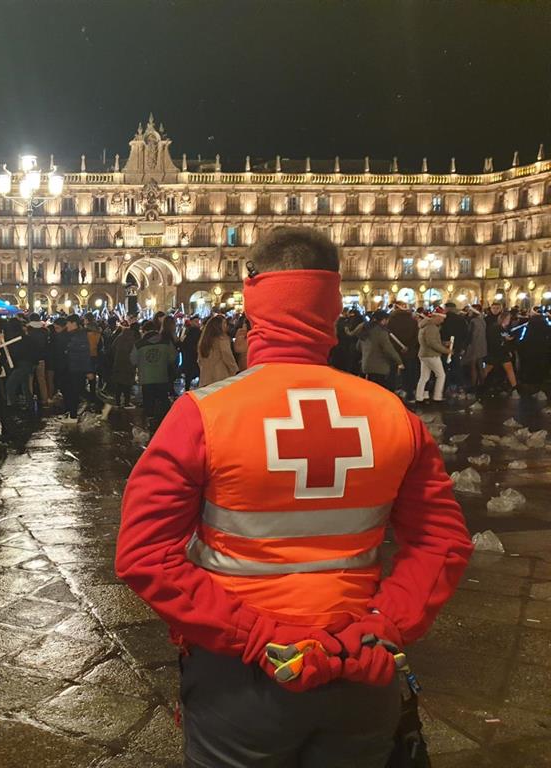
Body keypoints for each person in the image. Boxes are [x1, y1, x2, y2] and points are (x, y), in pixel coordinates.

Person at [116, 226, 472, 768]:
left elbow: (145, 556)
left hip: (241, 678)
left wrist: (256, 634)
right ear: (332, 304)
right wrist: (385, 625)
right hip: (360, 666)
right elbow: (443, 543)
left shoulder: (201, 416)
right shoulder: (392, 415)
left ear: (251, 297)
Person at [130, 320, 175, 431]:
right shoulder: (166, 342)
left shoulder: (139, 344)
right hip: (162, 377)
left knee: (148, 403)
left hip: (146, 379)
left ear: (144, 331)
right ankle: (165, 426)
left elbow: (132, 360)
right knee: (163, 400)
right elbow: (173, 357)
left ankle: (151, 425)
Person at [357, 311, 404, 391]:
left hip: (366, 364)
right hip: (379, 366)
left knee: (371, 388)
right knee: (380, 389)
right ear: (383, 320)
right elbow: (389, 349)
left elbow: (358, 347)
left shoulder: (365, 329)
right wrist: (399, 361)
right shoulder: (381, 332)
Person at [415, 308, 451, 404]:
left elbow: (430, 341)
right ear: (437, 317)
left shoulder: (425, 325)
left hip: (423, 354)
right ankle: (437, 397)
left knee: (424, 377)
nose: (443, 321)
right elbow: (432, 343)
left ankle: (419, 397)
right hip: (432, 355)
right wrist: (446, 350)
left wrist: (443, 343)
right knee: (441, 375)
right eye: (442, 318)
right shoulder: (432, 327)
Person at [60, 314, 92, 423]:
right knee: (76, 390)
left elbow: (84, 354)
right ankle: (72, 413)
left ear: (74, 323)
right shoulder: (73, 334)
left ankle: (73, 416)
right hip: (72, 367)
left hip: (77, 367)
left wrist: (88, 370)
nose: (66, 325)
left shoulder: (79, 336)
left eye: (68, 323)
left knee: (74, 391)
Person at [483, 302, 518, 393]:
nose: (509, 320)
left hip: (501, 352)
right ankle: (479, 385)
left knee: (508, 368)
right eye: (508, 319)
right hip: (495, 352)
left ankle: (514, 388)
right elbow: (494, 339)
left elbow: (505, 337)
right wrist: (505, 339)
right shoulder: (495, 327)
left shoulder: (504, 328)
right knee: (488, 369)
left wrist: (508, 340)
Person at [387, 301, 419, 398]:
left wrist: (396, 347)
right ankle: (409, 391)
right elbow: (416, 336)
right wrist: (408, 347)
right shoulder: (413, 320)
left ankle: (392, 391)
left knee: (392, 370)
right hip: (409, 350)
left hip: (395, 349)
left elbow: (388, 335)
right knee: (409, 371)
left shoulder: (391, 320)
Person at [196, 315, 238, 387]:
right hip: (220, 377)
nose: (226, 326)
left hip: (205, 378)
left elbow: (199, 360)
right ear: (218, 326)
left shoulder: (204, 340)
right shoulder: (222, 339)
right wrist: (235, 371)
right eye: (224, 323)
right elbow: (227, 356)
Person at [110, 321, 138, 408]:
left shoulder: (119, 337)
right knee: (127, 386)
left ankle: (117, 403)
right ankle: (126, 403)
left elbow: (113, 348)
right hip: (128, 365)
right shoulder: (134, 339)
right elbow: (135, 353)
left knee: (118, 385)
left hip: (118, 364)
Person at [463, 304, 488, 392]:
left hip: (474, 346)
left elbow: (470, 335)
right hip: (482, 345)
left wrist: (465, 346)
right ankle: (483, 385)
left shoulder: (473, 321)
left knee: (473, 366)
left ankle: (474, 385)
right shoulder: (482, 320)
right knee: (480, 366)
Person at [180, 317, 202, 390]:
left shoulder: (189, 331)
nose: (198, 323)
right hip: (191, 356)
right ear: (191, 322)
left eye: (198, 321)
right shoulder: (188, 331)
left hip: (191, 356)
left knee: (189, 374)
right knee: (192, 373)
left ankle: (188, 388)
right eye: (196, 321)